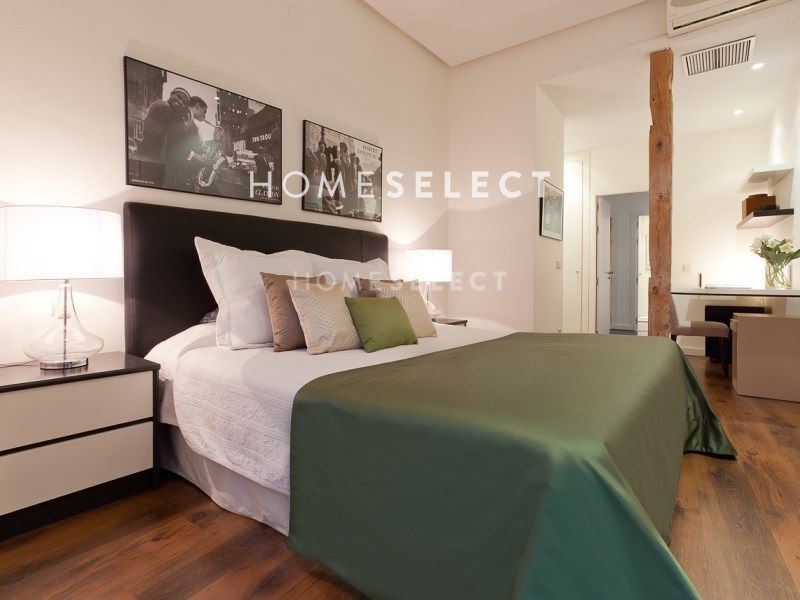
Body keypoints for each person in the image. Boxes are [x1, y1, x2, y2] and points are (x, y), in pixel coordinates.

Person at [134, 87, 191, 186]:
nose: (180, 102)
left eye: (183, 102)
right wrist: (188, 119)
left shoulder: (169, 111)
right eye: (179, 97)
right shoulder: (163, 106)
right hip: (149, 158)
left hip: (155, 159)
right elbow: (173, 122)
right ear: (172, 94)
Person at [163, 95, 208, 191]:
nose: (205, 116)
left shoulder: (191, 121)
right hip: (175, 173)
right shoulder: (181, 113)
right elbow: (172, 142)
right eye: (204, 111)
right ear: (197, 105)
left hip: (181, 174)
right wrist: (194, 156)